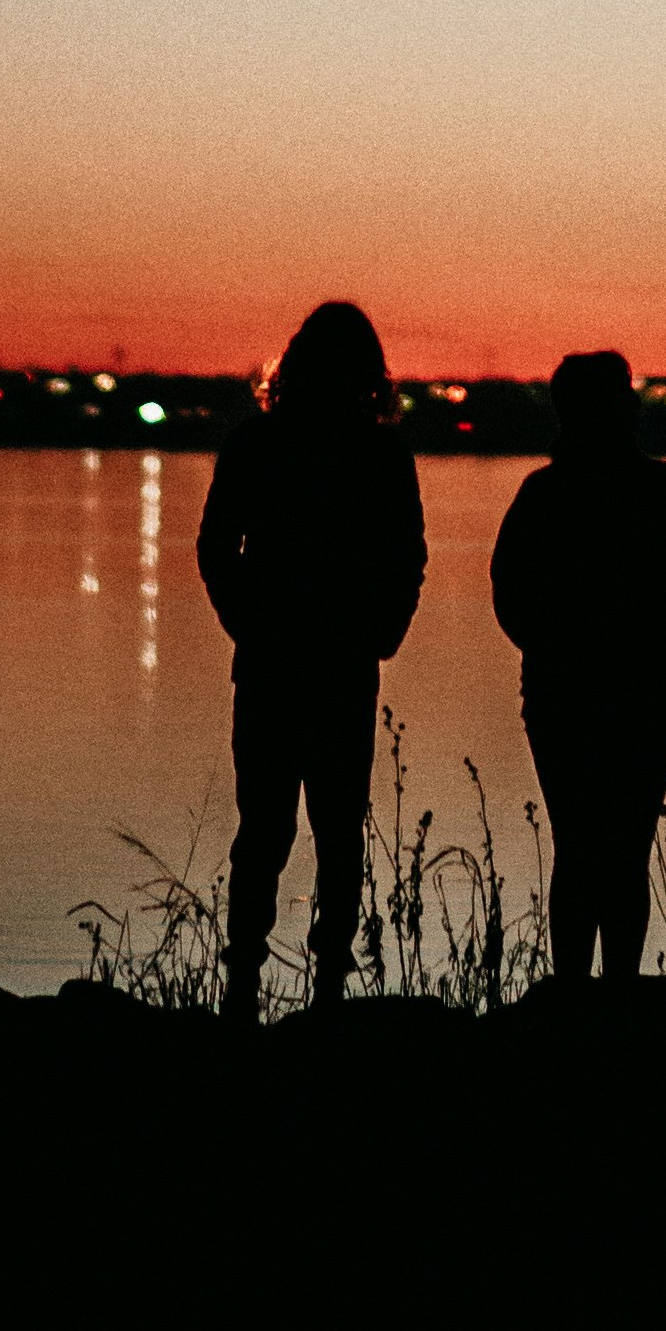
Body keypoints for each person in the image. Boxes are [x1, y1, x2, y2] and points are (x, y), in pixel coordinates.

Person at [197, 299, 426, 1023]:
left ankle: (249, 985)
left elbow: (214, 550)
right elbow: (407, 557)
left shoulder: (260, 443)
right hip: (326, 662)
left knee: (273, 828)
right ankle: (315, 985)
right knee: (325, 830)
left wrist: (249, 624)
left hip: (291, 661)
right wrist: (380, 629)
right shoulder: (375, 451)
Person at [489, 349, 666, 984]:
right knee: (624, 850)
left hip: (562, 695)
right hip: (646, 695)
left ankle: (575, 994)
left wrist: (553, 649)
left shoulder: (544, 494)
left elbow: (509, 595)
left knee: (581, 849)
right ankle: (616, 990)